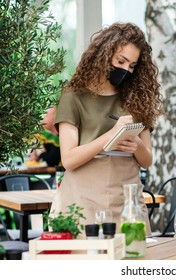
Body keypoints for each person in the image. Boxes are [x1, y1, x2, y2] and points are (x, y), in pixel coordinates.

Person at [50, 22, 162, 236]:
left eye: (132, 66)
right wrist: (111, 135)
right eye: (121, 61)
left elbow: (147, 160)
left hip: (128, 200)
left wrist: (137, 145)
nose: (126, 70)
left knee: (134, 261)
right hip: (83, 198)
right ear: (103, 54)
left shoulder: (136, 98)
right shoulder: (73, 96)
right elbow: (69, 159)